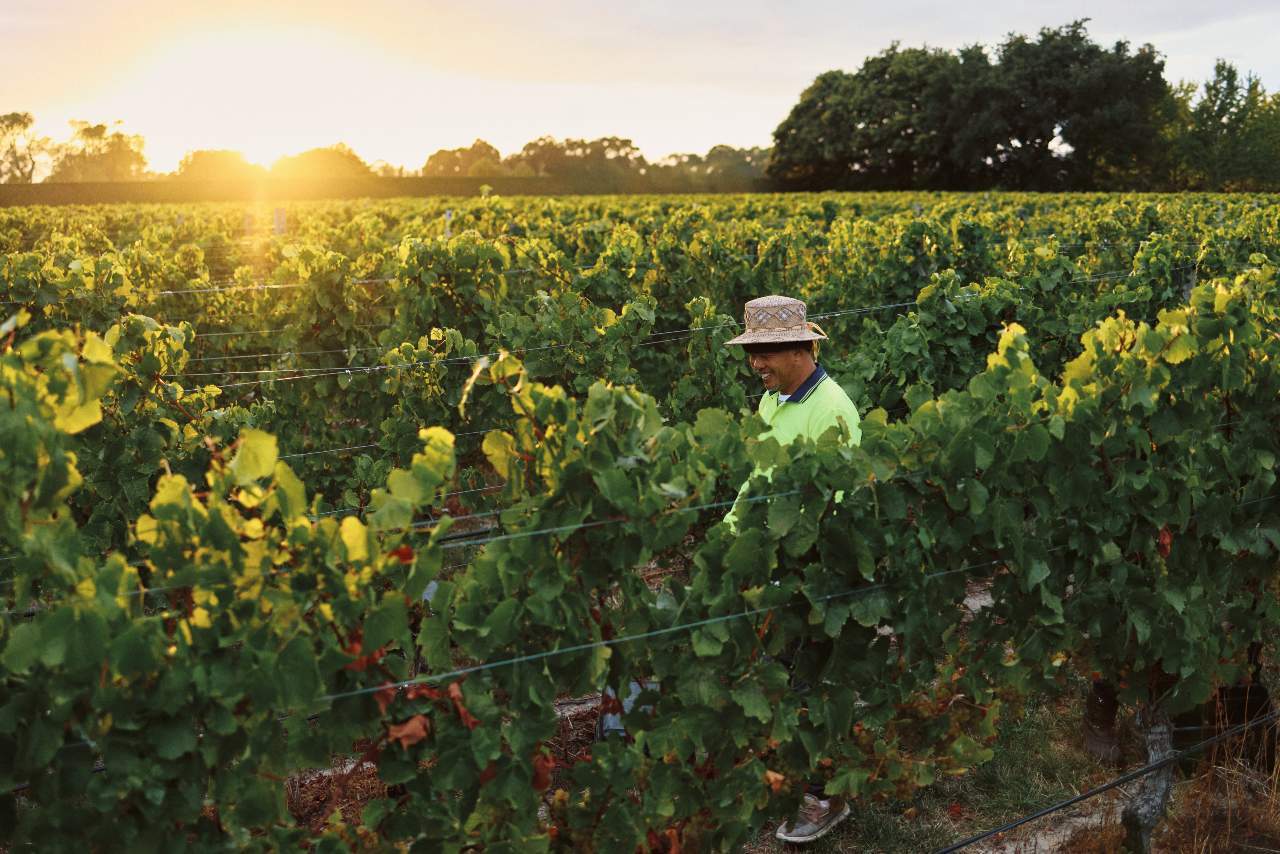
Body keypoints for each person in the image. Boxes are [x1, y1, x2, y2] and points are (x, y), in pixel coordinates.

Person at [723, 295, 861, 845]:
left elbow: (840, 505)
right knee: (779, 679)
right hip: (775, 568)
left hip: (815, 575)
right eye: (752, 351)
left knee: (811, 684)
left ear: (803, 347)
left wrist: (797, 569)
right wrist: (732, 536)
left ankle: (828, 796)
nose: (756, 362)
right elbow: (758, 483)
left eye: (767, 351)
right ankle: (792, 778)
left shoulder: (833, 409)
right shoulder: (773, 402)